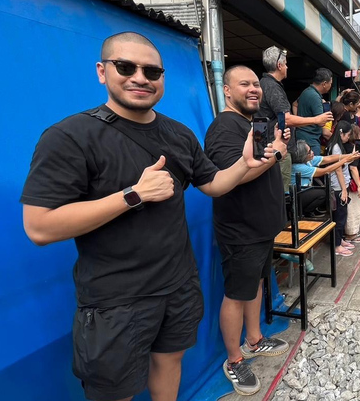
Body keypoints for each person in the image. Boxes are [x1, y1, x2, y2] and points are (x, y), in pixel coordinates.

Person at [20, 32, 273, 401]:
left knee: (170, 363)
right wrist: (133, 195)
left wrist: (245, 164)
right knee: (115, 390)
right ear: (102, 72)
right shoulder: (70, 136)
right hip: (115, 300)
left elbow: (214, 184)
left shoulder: (179, 134)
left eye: (152, 71)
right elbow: (39, 226)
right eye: (126, 67)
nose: (141, 77)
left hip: (178, 285)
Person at [204, 65, 291, 396]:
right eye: (245, 84)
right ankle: (234, 359)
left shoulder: (252, 124)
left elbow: (263, 159)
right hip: (239, 229)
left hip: (261, 226)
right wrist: (277, 155)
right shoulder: (223, 127)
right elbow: (232, 175)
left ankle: (254, 339)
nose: (254, 89)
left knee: (255, 283)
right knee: (236, 293)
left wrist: (277, 148)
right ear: (227, 90)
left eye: (256, 84)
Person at [257, 46, 332, 193]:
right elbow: (285, 119)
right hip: (276, 149)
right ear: (279, 66)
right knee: (281, 192)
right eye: (285, 64)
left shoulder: (263, 84)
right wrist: (316, 119)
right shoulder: (273, 87)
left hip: (265, 147)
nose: (287, 67)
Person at [325, 121, 360, 256]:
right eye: (347, 135)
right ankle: (336, 246)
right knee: (339, 217)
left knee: (342, 215)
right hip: (337, 187)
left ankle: (340, 240)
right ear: (341, 133)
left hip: (340, 185)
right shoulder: (335, 147)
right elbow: (338, 170)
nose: (348, 138)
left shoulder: (336, 146)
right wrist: (344, 190)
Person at [290, 139, 355, 217]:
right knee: (323, 194)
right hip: (296, 196)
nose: (312, 152)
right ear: (303, 155)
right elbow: (324, 171)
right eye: (309, 152)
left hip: (304, 191)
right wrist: (345, 160)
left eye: (311, 149)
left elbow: (329, 158)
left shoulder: (308, 160)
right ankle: (306, 212)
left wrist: (350, 155)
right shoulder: (298, 167)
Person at [296, 68, 334, 155]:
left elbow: (295, 104)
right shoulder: (315, 97)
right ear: (324, 84)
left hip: (301, 135)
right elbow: (321, 123)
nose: (330, 86)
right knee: (312, 166)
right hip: (311, 139)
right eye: (330, 83)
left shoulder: (306, 92)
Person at [344, 124, 360, 242]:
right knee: (354, 208)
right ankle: (351, 234)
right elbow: (353, 168)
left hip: (346, 180)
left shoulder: (344, 146)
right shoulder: (355, 147)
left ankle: (349, 233)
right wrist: (359, 186)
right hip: (352, 181)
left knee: (350, 207)